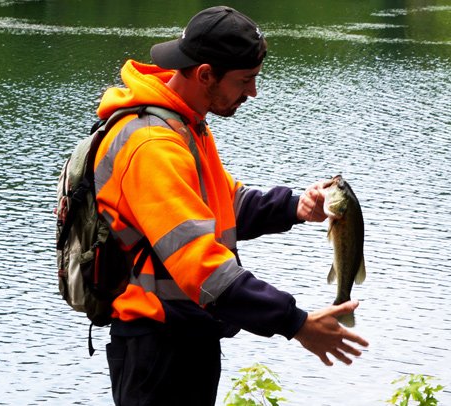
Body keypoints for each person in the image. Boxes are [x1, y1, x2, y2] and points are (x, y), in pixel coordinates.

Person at [94, 6, 369, 406]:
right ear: (205, 74)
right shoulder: (152, 144)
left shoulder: (183, 124)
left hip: (187, 337)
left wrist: (297, 208)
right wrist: (296, 322)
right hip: (156, 349)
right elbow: (201, 265)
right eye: (245, 80)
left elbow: (227, 203)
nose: (252, 93)